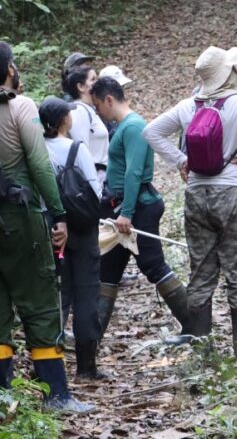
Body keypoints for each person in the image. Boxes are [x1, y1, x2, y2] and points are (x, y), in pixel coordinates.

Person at [143, 46, 237, 357]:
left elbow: (152, 132)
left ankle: (203, 347)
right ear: (229, 72)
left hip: (197, 194)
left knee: (201, 270)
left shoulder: (188, 106)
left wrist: (180, 160)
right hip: (233, 192)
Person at [0, 42, 93, 413]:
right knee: (39, 303)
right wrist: (58, 214)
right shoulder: (19, 106)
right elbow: (39, 166)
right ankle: (56, 394)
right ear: (9, 70)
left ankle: (4, 394)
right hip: (19, 220)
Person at [90, 77, 190, 345]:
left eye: (98, 105)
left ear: (109, 100)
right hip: (124, 208)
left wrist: (127, 213)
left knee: (152, 264)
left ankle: (193, 326)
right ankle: (92, 336)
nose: (98, 112)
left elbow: (134, 173)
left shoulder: (134, 127)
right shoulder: (125, 126)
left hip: (137, 208)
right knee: (108, 268)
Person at [39, 97, 105, 381]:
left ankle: (51, 369)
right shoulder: (77, 150)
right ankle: (87, 368)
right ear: (66, 120)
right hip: (82, 231)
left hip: (49, 230)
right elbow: (95, 192)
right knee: (87, 295)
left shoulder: (36, 150)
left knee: (58, 297)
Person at [63, 66, 109, 187]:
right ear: (81, 87)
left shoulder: (90, 109)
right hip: (95, 181)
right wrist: (95, 188)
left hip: (102, 177)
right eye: (93, 79)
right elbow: (82, 152)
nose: (98, 82)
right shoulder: (79, 111)